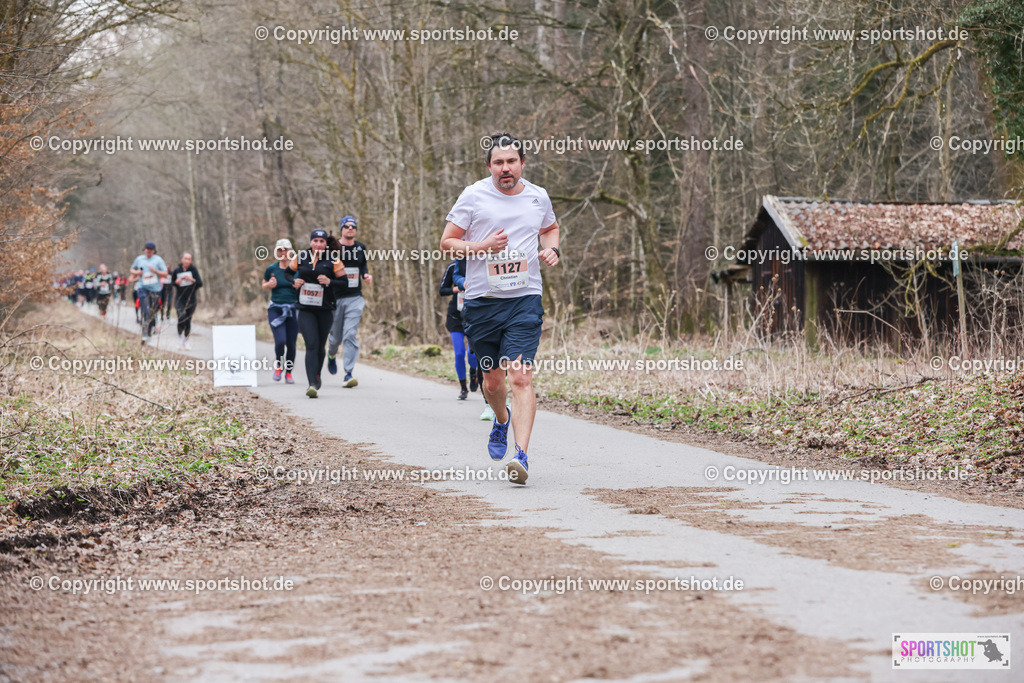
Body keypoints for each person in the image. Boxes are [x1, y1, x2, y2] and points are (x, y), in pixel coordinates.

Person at [439, 132, 561, 485]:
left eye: (511, 162)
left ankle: (520, 455)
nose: (505, 168)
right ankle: (501, 419)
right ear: (489, 166)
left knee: (520, 377)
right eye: (498, 163)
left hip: (525, 299)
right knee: (492, 384)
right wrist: (483, 246)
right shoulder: (474, 195)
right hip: (481, 303)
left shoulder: (538, 197)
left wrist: (553, 250)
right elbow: (447, 242)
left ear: (523, 163)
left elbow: (550, 228)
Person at [290, 229, 346, 398]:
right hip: (306, 308)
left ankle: (317, 376)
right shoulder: (301, 257)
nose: (318, 244)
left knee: (320, 346)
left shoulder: (333, 260)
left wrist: (330, 281)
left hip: (325, 309)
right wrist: (294, 281)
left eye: (321, 241)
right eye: (315, 241)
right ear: (311, 242)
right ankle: (311, 384)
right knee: (311, 344)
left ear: (325, 244)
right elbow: (287, 273)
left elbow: (344, 282)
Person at [326, 215, 371, 388]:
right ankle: (331, 355)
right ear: (341, 229)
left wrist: (365, 274)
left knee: (350, 334)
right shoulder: (333, 248)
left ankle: (348, 373)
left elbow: (363, 265)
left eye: (353, 226)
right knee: (335, 337)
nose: (350, 229)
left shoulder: (361, 248)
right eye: (347, 226)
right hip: (336, 298)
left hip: (355, 298)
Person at [438, 258, 480, 400]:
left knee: (473, 354)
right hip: (455, 316)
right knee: (459, 354)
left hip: (473, 315)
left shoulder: (480, 262)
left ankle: (473, 372)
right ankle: (463, 388)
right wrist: (458, 288)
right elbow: (442, 290)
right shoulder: (453, 266)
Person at [262, 238, 298, 383]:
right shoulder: (271, 269)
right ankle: (279, 366)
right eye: (280, 250)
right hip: (275, 309)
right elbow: (263, 284)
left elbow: (306, 285)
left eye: (286, 250)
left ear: (291, 252)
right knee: (280, 341)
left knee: (291, 343)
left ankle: (288, 372)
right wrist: (269, 284)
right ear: (277, 252)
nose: (283, 253)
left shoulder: (298, 269)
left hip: (293, 309)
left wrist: (299, 285)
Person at [130, 241, 169, 343]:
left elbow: (165, 274)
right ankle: (144, 334)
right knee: (145, 310)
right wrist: (137, 272)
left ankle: (150, 332)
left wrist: (155, 271)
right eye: (147, 249)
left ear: (154, 251)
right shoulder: (139, 259)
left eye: (151, 250)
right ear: (144, 249)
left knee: (153, 312)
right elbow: (131, 270)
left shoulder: (158, 260)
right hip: (143, 287)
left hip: (155, 290)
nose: (148, 251)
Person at [171, 252, 203, 349]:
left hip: (191, 299)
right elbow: (172, 282)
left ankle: (186, 340)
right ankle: (180, 337)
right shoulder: (177, 270)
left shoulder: (193, 270)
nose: (187, 261)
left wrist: (192, 280)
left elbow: (200, 283)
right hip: (180, 298)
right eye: (185, 258)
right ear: (182, 260)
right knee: (181, 317)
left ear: (191, 260)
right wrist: (176, 282)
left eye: (189, 259)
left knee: (188, 319)